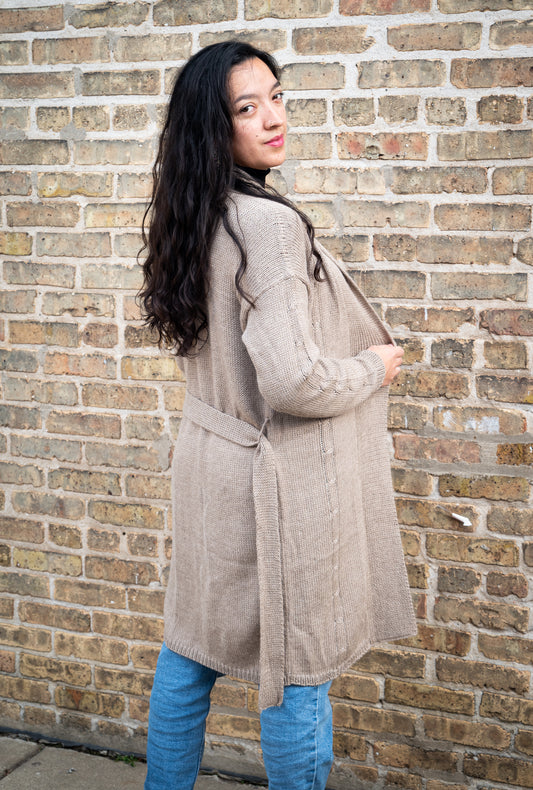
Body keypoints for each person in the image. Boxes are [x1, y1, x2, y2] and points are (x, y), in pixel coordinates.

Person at [139, 40, 417, 790]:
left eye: (275, 96)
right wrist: (374, 366)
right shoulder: (266, 225)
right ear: (213, 126)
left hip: (208, 465)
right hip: (278, 481)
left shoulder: (193, 211)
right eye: (245, 106)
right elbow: (293, 381)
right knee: (298, 668)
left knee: (190, 650)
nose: (272, 118)